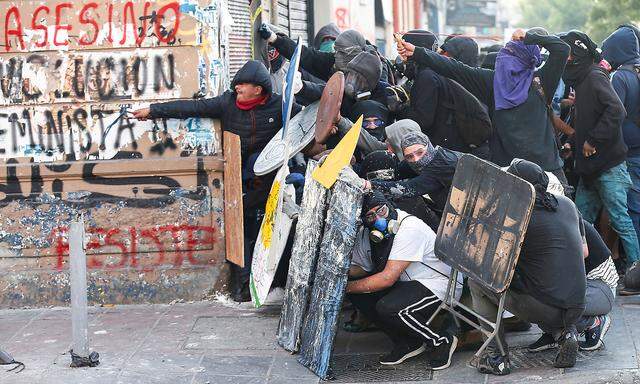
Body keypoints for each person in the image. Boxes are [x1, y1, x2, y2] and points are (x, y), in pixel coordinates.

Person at [132, 60, 302, 302]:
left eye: (244, 84)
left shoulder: (280, 106)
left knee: (276, 229)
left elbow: (306, 123)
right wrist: (153, 110)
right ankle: (242, 285)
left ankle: (278, 281)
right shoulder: (227, 103)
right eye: (237, 84)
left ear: (259, 88)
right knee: (239, 226)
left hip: (271, 179)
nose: (239, 88)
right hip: (237, 180)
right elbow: (192, 107)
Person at [396, 28, 569, 183]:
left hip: (547, 171)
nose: (504, 57)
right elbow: (454, 68)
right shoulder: (492, 81)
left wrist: (529, 36)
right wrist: (417, 52)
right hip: (509, 171)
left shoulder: (541, 81)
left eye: (510, 53)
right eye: (505, 51)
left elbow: (562, 49)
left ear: (524, 60)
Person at [468, 159, 586, 375]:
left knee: (476, 281)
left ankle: (496, 356)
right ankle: (566, 334)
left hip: (544, 307)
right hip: (576, 305)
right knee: (543, 279)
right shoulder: (567, 204)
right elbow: (582, 251)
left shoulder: (514, 219)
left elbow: (489, 262)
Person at [347, 191, 461, 369]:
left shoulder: (409, 228)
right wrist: (339, 274)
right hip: (409, 283)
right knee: (362, 296)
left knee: (391, 308)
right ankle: (408, 343)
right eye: (370, 216)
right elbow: (364, 268)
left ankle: (440, 340)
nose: (378, 219)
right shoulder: (370, 235)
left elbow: (386, 279)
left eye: (382, 211)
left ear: (389, 206)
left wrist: (346, 288)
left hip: (439, 283)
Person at [559, 31, 640, 272]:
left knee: (621, 220)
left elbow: (616, 110)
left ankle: (636, 272)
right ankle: (579, 270)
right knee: (581, 220)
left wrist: (592, 141)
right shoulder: (586, 77)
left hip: (608, 166)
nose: (565, 59)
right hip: (590, 166)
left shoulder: (595, 76)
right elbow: (587, 119)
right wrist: (572, 145)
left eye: (568, 54)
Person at [395, 30, 492, 157]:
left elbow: (423, 119)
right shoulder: (434, 74)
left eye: (446, 53)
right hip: (462, 149)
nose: (442, 56)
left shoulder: (428, 76)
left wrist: (399, 109)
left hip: (447, 150)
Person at [527, 220, 617, 353]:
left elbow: (574, 261)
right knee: (535, 296)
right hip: (579, 285)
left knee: (553, 302)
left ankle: (593, 322)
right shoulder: (544, 224)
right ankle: (554, 333)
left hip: (601, 288)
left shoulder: (570, 222)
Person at [602, 26, 640, 251]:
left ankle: (635, 265)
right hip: (637, 151)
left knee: (628, 210)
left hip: (627, 154)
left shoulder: (620, 78)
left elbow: (614, 114)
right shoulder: (636, 73)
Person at [365, 131, 461, 213]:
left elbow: (409, 188)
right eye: (409, 156)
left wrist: (370, 185)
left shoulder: (443, 164)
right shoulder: (415, 161)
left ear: (429, 147)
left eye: (420, 152)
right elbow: (396, 173)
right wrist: (369, 177)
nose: (416, 159)